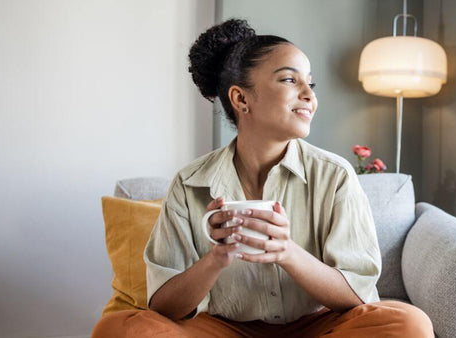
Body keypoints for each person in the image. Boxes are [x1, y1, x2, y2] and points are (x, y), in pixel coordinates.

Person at [92, 18, 434, 338]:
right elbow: (164, 307)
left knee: (407, 323)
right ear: (241, 98)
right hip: (223, 328)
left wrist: (287, 252)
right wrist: (215, 259)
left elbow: (357, 296)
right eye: (290, 79)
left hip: (319, 327)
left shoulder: (335, 175)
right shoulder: (188, 183)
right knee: (118, 328)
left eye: (310, 82)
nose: (309, 95)